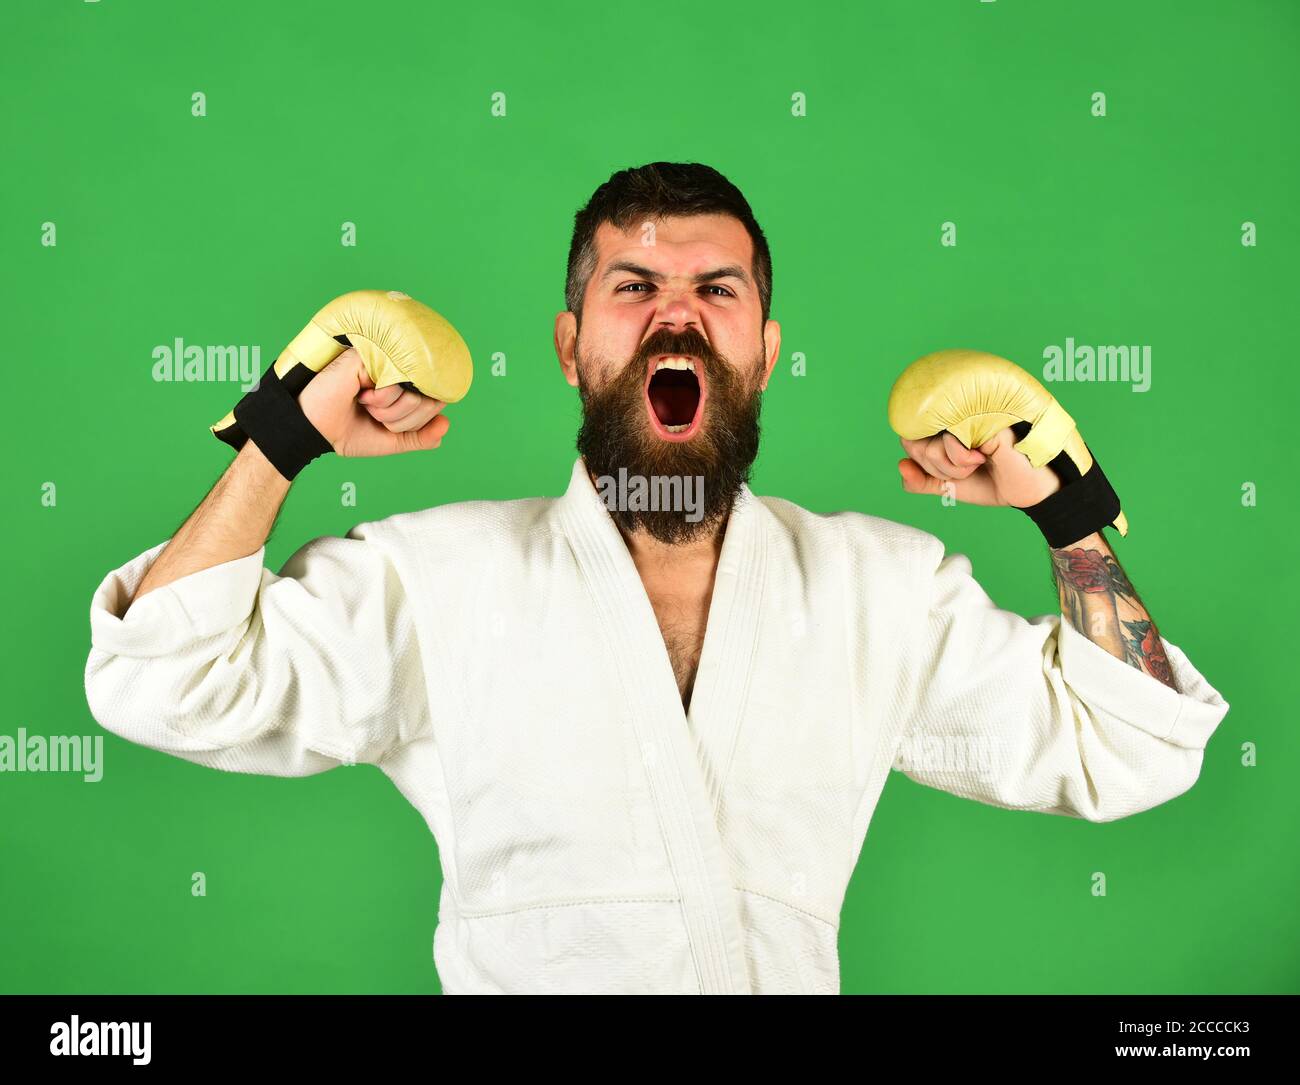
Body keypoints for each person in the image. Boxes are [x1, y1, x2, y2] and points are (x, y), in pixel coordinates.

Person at [84, 162, 1230, 994]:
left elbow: (1124, 746)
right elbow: (166, 678)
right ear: (571, 343)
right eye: (633, 287)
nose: (676, 313)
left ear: (765, 351)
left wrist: (1064, 509)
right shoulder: (440, 578)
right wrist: (282, 439)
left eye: (716, 291)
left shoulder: (878, 590)